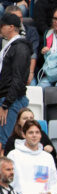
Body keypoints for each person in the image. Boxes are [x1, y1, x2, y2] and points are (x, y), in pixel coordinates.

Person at [8, 120, 57, 194]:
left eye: (37, 132)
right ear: (24, 135)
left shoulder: (47, 157)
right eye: (31, 132)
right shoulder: (14, 155)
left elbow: (54, 182)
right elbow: (8, 181)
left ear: (41, 135)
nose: (34, 135)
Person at [0, 12, 31, 147]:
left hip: (11, 100)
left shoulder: (20, 48)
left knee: (5, 139)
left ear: (11, 27)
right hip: (8, 98)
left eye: (2, 25)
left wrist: (6, 104)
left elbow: (18, 79)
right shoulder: (12, 46)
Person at [1, 5, 38, 86]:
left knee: (32, 85)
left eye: (21, 17)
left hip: (24, 72)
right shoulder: (2, 34)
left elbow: (33, 54)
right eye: (16, 18)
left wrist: (31, 73)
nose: (19, 21)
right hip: (4, 73)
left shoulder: (31, 32)